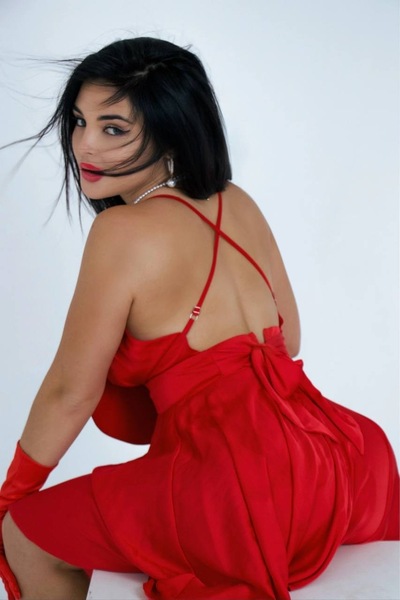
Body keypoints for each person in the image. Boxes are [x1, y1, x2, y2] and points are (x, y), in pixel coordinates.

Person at [0, 37, 398, 600]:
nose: (84, 144)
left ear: (171, 132)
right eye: (79, 121)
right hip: (344, 462)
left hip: (238, 490)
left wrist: (14, 493)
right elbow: (288, 339)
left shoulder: (120, 231)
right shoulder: (237, 199)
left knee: (24, 534)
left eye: (113, 128)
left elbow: (71, 391)